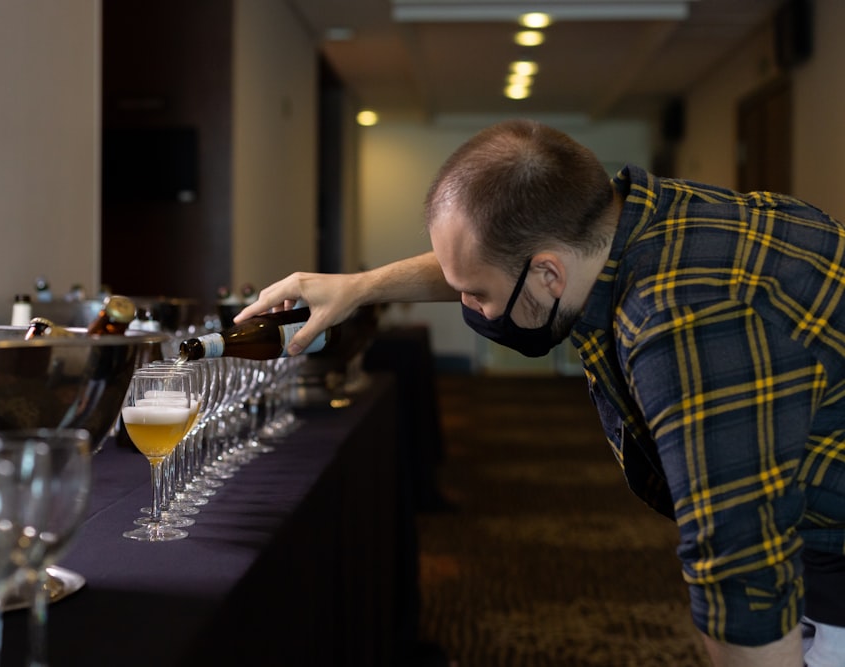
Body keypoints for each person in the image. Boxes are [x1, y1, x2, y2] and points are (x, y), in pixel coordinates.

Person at [235, 118, 845, 666]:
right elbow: (491, 261)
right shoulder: (636, 214)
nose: (471, 306)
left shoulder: (679, 326)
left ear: (550, 272)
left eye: (477, 295)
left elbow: (739, 576)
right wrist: (362, 286)